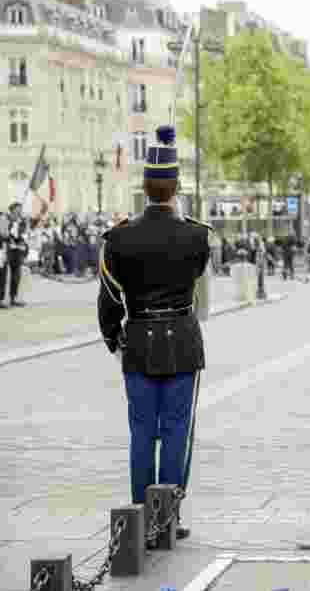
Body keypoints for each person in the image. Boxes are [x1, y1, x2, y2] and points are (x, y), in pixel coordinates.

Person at [97, 125, 211, 542]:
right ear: (176, 187)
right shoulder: (197, 235)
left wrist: (114, 338)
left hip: (139, 341)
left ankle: (142, 515)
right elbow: (196, 274)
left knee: (142, 430)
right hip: (181, 338)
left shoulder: (119, 238)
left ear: (144, 188)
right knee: (177, 429)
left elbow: (109, 298)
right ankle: (169, 517)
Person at [1, 201, 30, 307]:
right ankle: (2, 299)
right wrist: (10, 237)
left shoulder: (21, 221)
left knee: (16, 274)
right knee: (2, 274)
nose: (20, 211)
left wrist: (22, 242)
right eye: (18, 209)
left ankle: (14, 297)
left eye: (21, 210)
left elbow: (24, 234)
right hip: (6, 248)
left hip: (17, 250)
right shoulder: (5, 219)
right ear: (12, 210)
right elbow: (3, 233)